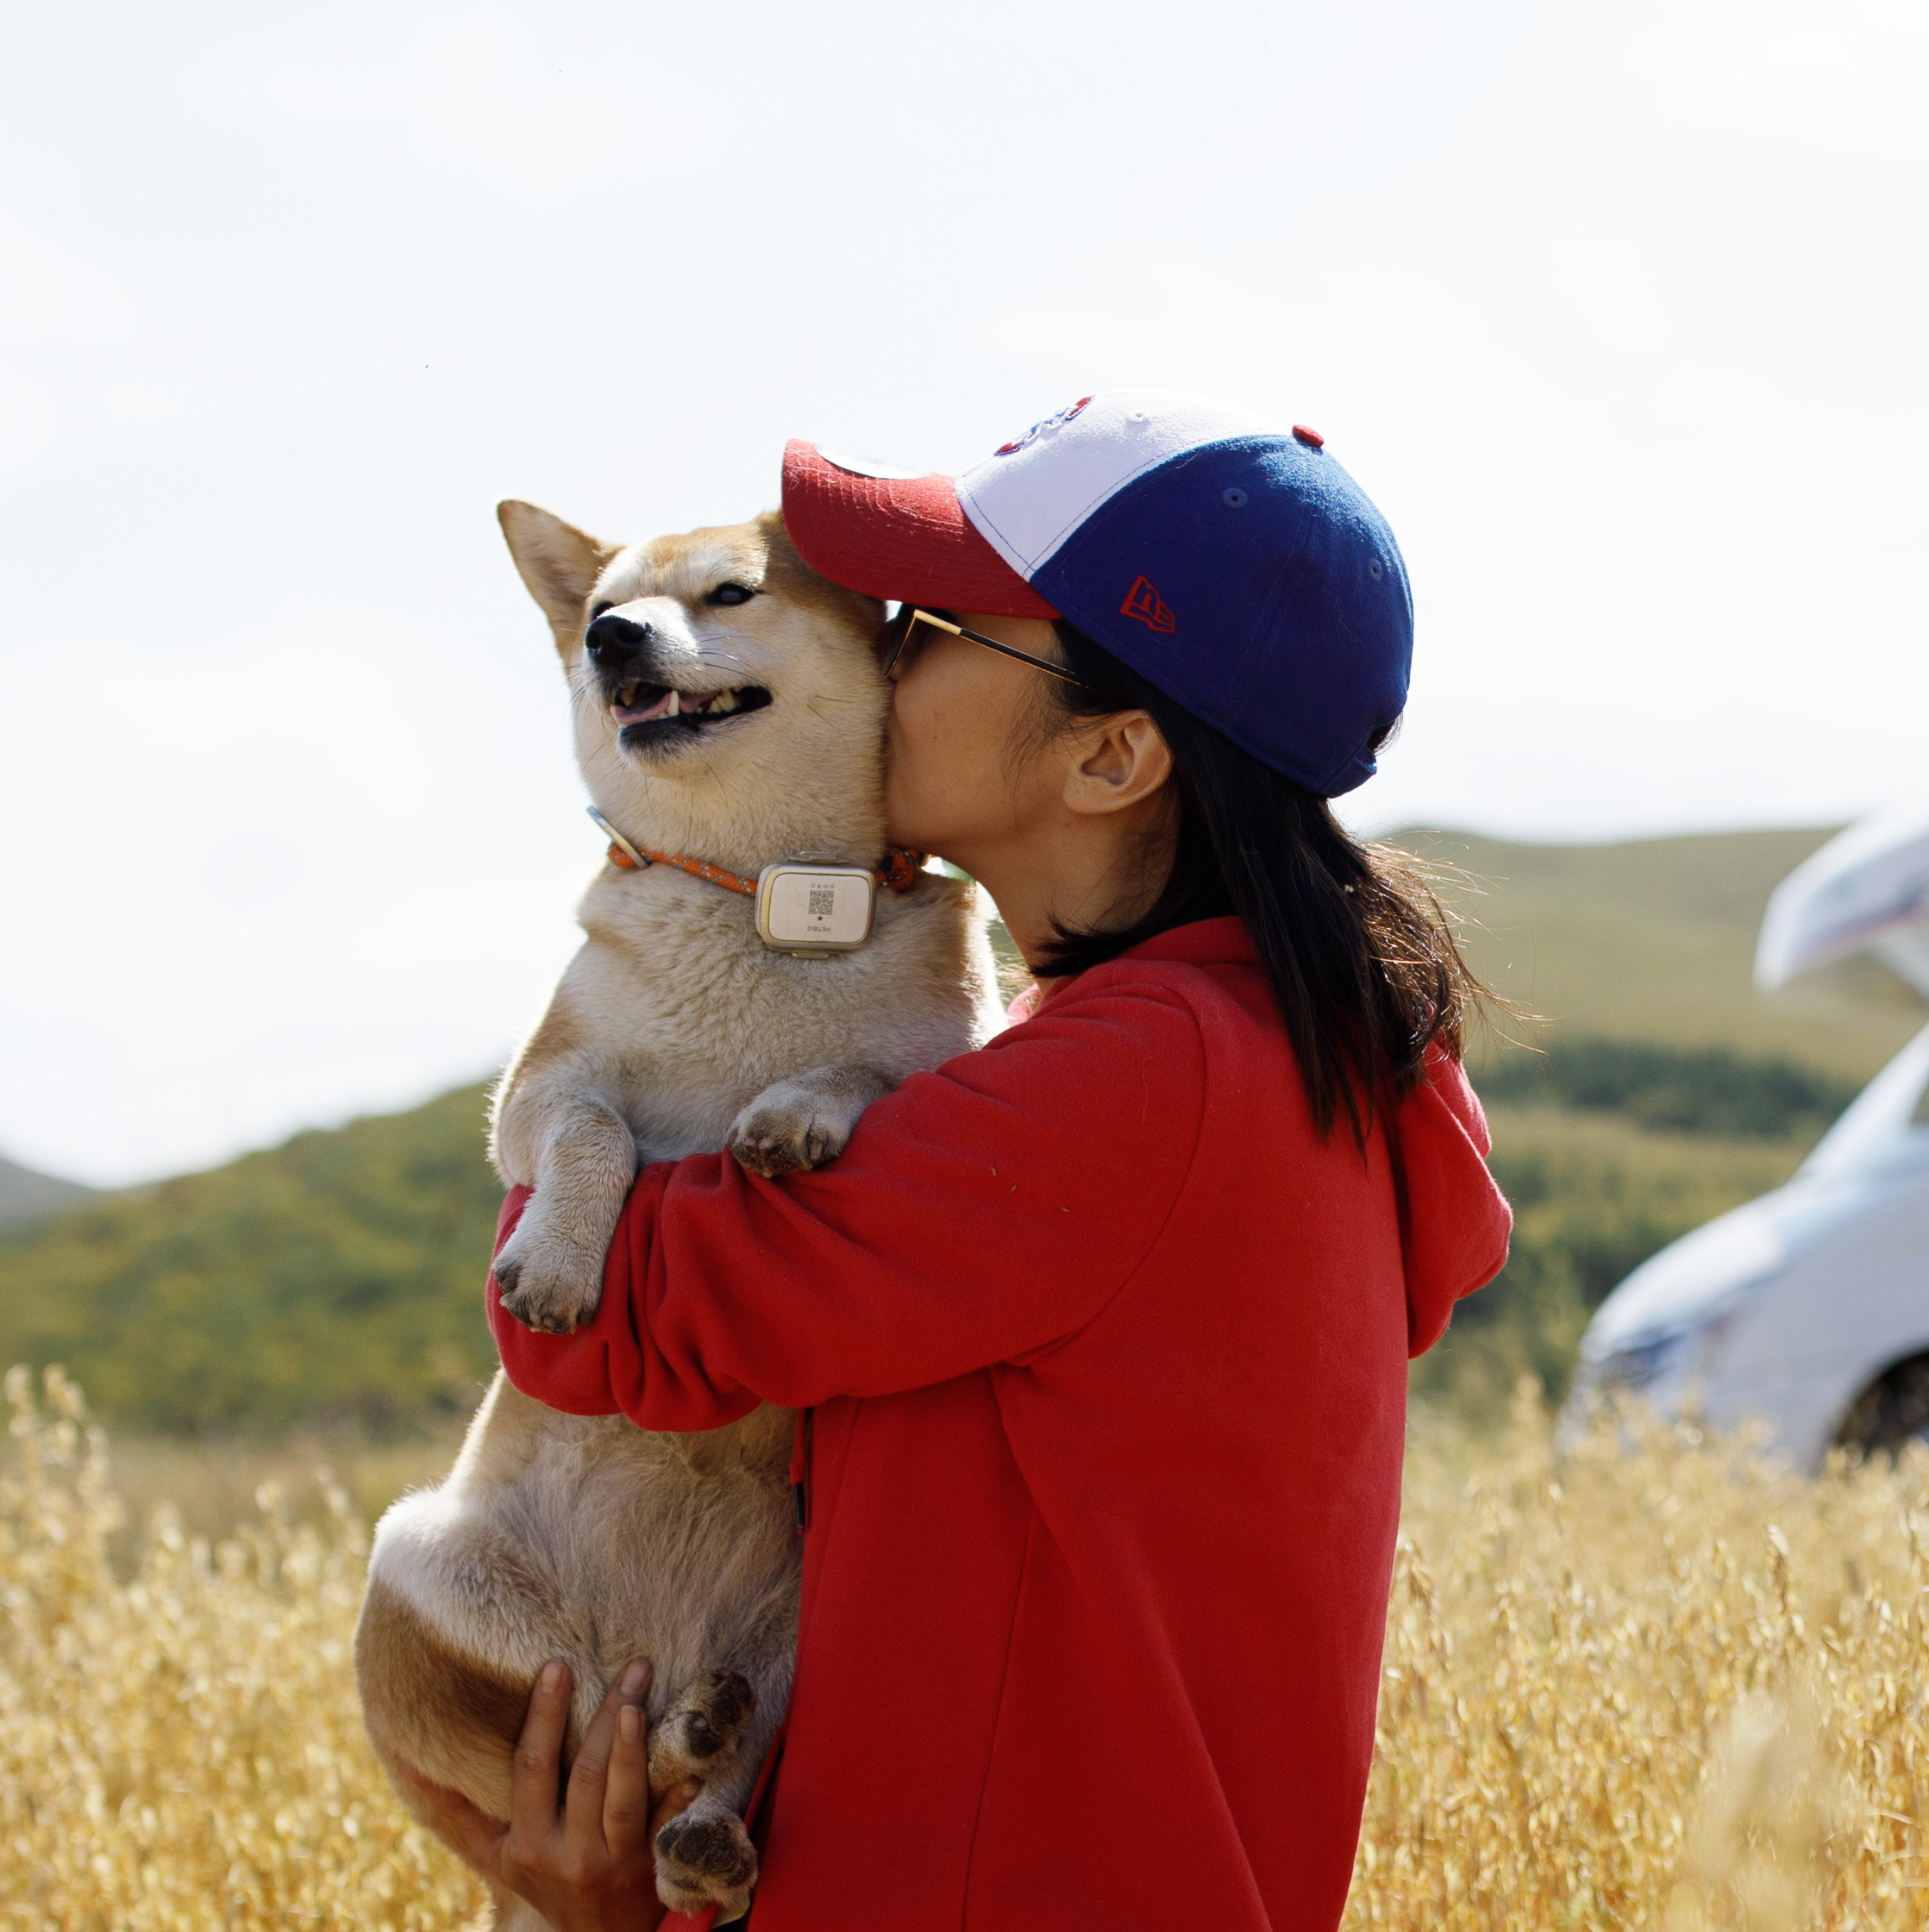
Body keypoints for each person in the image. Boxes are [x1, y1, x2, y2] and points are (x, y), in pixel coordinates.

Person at [388, 393, 1513, 1930]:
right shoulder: (1270, 1059)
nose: (878, 649)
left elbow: (595, 1318)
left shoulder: (1139, 1080)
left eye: (934, 628)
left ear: (1112, 756)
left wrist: (625, 1030)